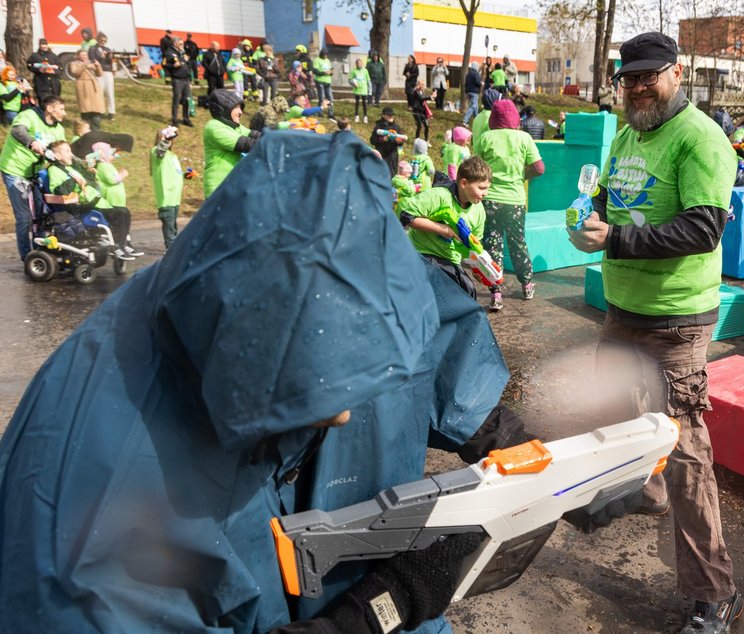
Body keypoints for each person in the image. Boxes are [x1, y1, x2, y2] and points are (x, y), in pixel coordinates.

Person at [0, 130, 515, 634]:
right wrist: (374, 612)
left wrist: (515, 438)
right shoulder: (87, 551)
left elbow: (426, 334)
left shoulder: (343, 261)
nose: (345, 416)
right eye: (317, 390)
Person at [566, 32, 742, 634]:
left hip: (677, 320)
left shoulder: (700, 138)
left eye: (650, 76)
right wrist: (587, 220)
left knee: (687, 451)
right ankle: (643, 490)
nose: (638, 88)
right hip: (623, 309)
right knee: (614, 413)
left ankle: (713, 592)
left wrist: (613, 239)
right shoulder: (625, 132)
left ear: (677, 72)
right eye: (629, 78)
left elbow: (701, 229)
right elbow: (608, 200)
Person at [474, 99, 544, 311]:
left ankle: (496, 292)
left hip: (490, 201)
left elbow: (475, 168)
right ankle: (527, 284)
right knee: (517, 243)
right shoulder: (524, 138)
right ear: (515, 117)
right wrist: (523, 175)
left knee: (492, 244)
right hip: (514, 201)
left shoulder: (485, 138)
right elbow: (539, 168)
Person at [398, 155, 493, 299]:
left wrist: (477, 268)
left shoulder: (479, 211)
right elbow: (405, 216)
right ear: (463, 183)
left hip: (450, 259)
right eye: (481, 188)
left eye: (487, 189)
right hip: (422, 253)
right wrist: (443, 229)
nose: (485, 193)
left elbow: (473, 246)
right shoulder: (439, 196)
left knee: (468, 292)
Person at [0, 94, 66, 259]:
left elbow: (64, 151)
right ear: (50, 109)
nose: (64, 113)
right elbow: (17, 130)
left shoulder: (58, 129)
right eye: (62, 109)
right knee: (24, 218)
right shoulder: (29, 115)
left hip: (35, 173)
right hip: (14, 169)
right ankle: (27, 256)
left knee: (43, 214)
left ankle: (41, 252)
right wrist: (31, 142)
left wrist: (82, 163)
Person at [202, 89, 258, 197]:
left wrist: (280, 133)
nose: (240, 112)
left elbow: (255, 134)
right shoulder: (214, 127)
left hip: (233, 186)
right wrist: (271, 142)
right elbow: (246, 144)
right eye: (236, 108)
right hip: (218, 189)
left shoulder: (235, 127)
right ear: (224, 109)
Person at [93, 141, 141, 256]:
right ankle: (119, 243)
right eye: (109, 152)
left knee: (125, 216)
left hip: (117, 201)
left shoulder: (108, 165)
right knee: (121, 216)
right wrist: (122, 175)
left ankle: (124, 242)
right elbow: (112, 180)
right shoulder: (102, 166)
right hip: (110, 202)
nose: (112, 153)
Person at [150, 126, 184, 248]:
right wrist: (164, 139)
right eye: (164, 138)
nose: (169, 141)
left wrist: (187, 175)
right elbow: (160, 152)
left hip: (175, 197)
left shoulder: (172, 155)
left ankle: (172, 249)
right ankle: (170, 250)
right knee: (169, 226)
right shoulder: (156, 151)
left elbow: (176, 172)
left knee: (173, 225)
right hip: (166, 197)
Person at [67, 49, 105, 130]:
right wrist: (84, 65)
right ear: (78, 56)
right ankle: (85, 129)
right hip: (83, 87)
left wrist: (98, 66)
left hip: (93, 87)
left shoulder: (91, 63)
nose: (85, 56)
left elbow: (100, 74)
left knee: (96, 110)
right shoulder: (74, 63)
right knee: (86, 110)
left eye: (86, 55)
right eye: (82, 55)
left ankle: (96, 130)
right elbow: (75, 73)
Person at [164, 37, 193, 127]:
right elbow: (164, 64)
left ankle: (186, 118)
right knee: (176, 100)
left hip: (186, 80)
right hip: (177, 80)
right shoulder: (169, 53)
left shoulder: (183, 53)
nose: (182, 46)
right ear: (175, 44)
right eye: (180, 44)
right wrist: (173, 65)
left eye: (183, 44)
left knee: (186, 100)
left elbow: (188, 66)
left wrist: (190, 81)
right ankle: (175, 120)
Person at [88, 33, 116, 120]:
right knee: (99, 92)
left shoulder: (108, 49)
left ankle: (111, 112)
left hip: (108, 71)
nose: (103, 42)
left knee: (110, 92)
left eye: (105, 41)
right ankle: (100, 111)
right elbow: (92, 59)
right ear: (98, 40)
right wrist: (101, 57)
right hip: (98, 71)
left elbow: (112, 60)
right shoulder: (92, 48)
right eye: (101, 40)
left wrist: (112, 62)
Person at [372, 106, 405, 177]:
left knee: (392, 176)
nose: (391, 116)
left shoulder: (396, 127)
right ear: (383, 115)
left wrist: (398, 141)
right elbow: (372, 140)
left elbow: (400, 143)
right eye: (388, 115)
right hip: (381, 156)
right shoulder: (378, 126)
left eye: (392, 115)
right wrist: (383, 139)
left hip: (393, 157)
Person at [349, 58, 370, 123]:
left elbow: (368, 80)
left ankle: (365, 116)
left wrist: (370, 90)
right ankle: (356, 116)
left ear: (362, 64)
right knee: (357, 103)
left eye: (360, 63)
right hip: (357, 90)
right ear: (356, 64)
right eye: (358, 63)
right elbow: (350, 80)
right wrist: (353, 83)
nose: (359, 64)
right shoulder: (354, 71)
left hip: (364, 89)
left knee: (364, 103)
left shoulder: (365, 71)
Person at [462, 62, 482, 126]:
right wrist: (481, 84)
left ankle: (477, 120)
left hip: (468, 91)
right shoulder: (476, 74)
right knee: (473, 106)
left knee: (475, 107)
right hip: (474, 92)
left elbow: (466, 83)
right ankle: (465, 120)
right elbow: (477, 82)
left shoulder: (468, 74)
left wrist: (466, 91)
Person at [314, 48, 334, 113]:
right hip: (320, 81)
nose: (326, 56)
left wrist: (331, 72)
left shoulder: (327, 60)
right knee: (321, 98)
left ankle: (330, 112)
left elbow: (331, 70)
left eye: (326, 55)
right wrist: (324, 72)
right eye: (324, 54)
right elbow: (315, 71)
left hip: (328, 81)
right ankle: (320, 112)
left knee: (330, 98)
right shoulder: (317, 60)